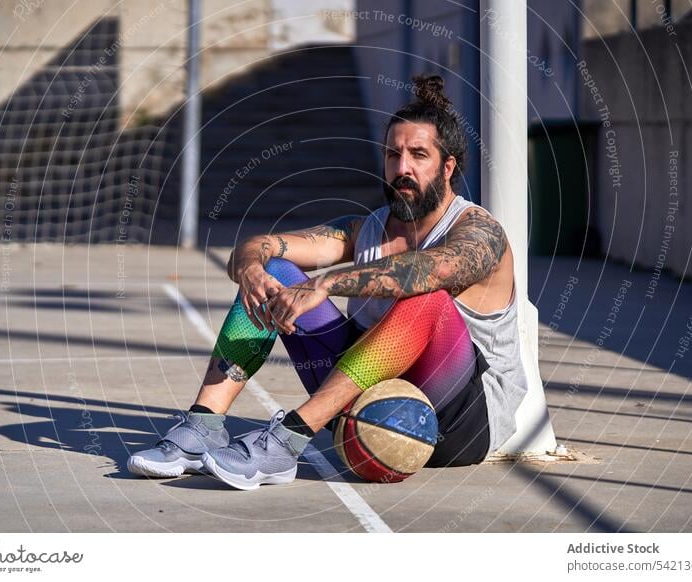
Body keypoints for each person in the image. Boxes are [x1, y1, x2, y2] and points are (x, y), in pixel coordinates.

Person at [127, 75, 528, 490]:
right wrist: (249, 267)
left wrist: (327, 283)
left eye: (418, 155)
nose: (402, 168)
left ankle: (288, 440)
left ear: (448, 166)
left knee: (426, 298)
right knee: (277, 273)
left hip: (458, 420)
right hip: (363, 407)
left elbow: (431, 271)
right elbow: (262, 246)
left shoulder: (480, 232)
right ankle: (203, 427)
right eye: (393, 154)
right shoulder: (367, 229)